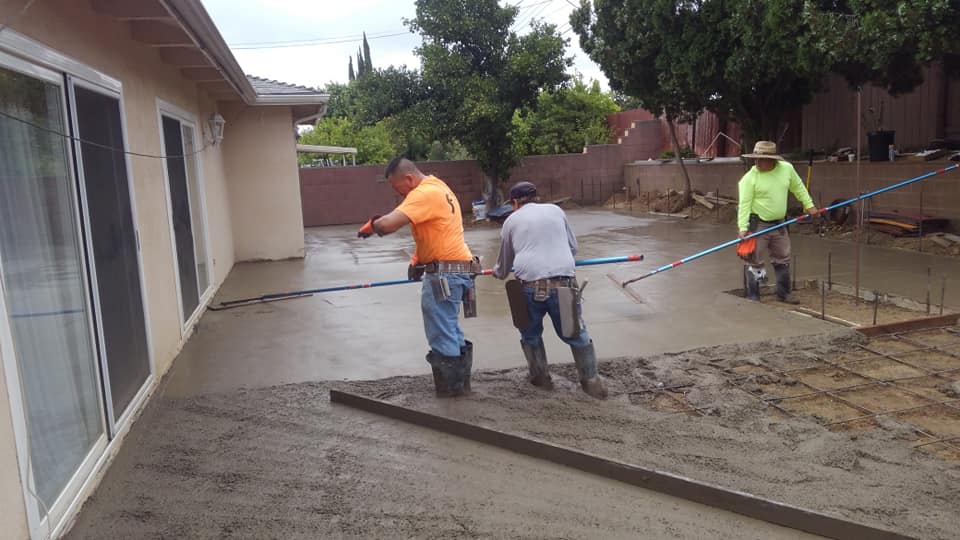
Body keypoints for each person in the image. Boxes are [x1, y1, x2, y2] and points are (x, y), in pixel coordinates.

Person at [358, 158, 479, 397]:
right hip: (460, 269)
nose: (398, 194)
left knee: (441, 332)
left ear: (409, 179)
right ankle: (460, 387)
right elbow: (434, 231)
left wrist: (372, 226)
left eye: (397, 187)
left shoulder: (423, 194)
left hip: (444, 275)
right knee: (450, 328)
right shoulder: (439, 186)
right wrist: (417, 260)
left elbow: (387, 225)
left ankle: (452, 395)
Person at [492, 181, 607, 399]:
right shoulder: (556, 211)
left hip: (529, 289)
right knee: (576, 334)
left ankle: (541, 379)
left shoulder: (510, 221)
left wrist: (496, 273)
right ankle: (592, 383)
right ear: (536, 197)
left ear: (515, 203)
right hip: (564, 285)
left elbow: (503, 266)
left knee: (530, 334)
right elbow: (573, 248)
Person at [737, 141, 818, 303]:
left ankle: (784, 293)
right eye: (756, 159)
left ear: (773, 159)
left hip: (779, 223)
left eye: (762, 159)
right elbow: (744, 204)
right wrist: (743, 227)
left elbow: (798, 187)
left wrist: (809, 205)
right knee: (754, 260)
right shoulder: (749, 179)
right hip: (758, 223)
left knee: (783, 257)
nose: (757, 163)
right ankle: (753, 295)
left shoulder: (786, 169)